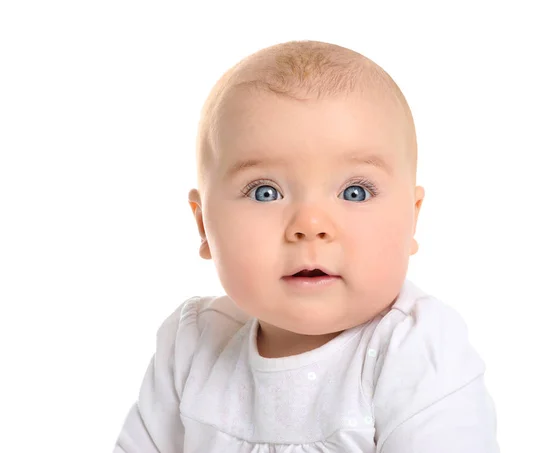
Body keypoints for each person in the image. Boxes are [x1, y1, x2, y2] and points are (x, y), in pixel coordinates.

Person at [113, 40, 499, 452]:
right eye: (264, 192)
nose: (310, 226)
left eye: (355, 192)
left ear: (413, 218)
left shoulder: (414, 350)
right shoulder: (192, 345)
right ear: (204, 224)